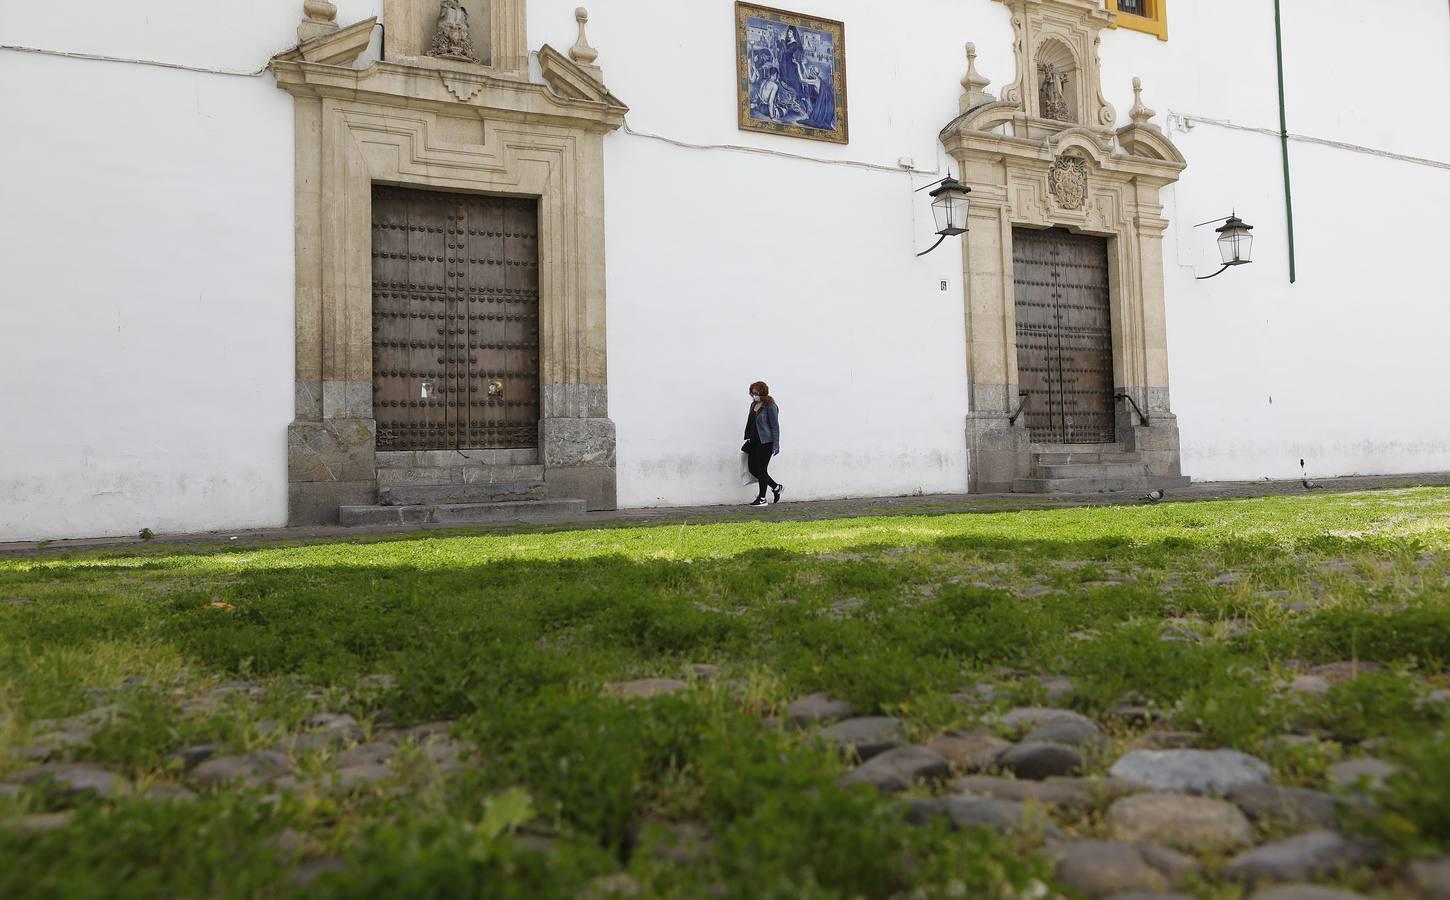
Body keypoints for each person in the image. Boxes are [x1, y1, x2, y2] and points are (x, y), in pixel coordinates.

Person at [743, 381, 783, 506]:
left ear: (762, 392)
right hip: (753, 441)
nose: (754, 395)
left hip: (766, 442)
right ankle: (776, 487)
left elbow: (775, 427)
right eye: (752, 392)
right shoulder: (753, 404)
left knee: (761, 469)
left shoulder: (770, 406)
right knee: (753, 469)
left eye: (756, 393)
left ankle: (762, 498)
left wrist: (776, 445)